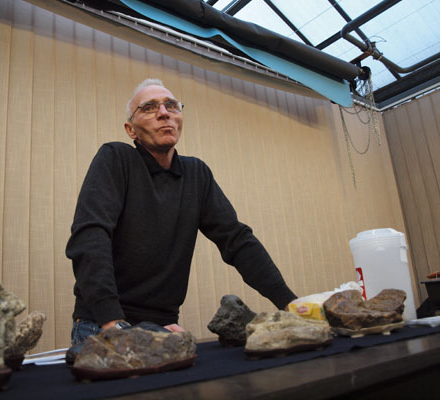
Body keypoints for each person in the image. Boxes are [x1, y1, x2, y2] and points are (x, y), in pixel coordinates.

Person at [66, 78, 297, 345]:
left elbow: (236, 240)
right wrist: (112, 322)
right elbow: (90, 236)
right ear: (131, 130)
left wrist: (291, 303)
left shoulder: (196, 174)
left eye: (172, 105)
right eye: (149, 107)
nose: (164, 113)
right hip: (103, 324)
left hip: (161, 326)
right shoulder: (116, 158)